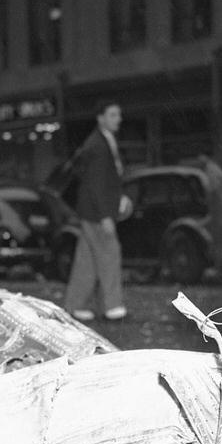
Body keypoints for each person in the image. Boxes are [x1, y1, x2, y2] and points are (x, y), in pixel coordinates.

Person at [63, 101, 127, 322]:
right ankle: (113, 305)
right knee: (110, 254)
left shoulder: (101, 141)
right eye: (113, 114)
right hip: (97, 214)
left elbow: (105, 180)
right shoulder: (99, 145)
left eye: (118, 114)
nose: (118, 119)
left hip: (90, 211)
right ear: (101, 118)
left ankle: (75, 304)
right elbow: (96, 184)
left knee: (87, 260)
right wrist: (105, 216)